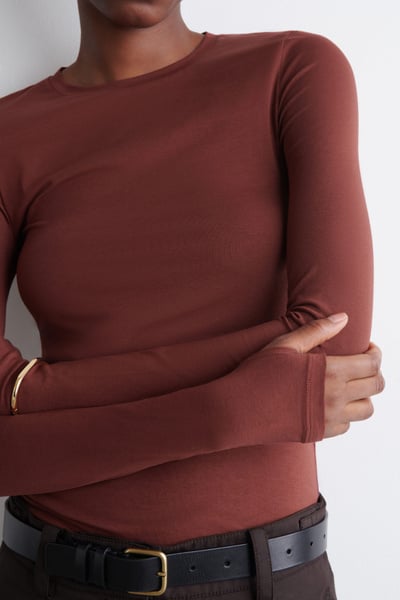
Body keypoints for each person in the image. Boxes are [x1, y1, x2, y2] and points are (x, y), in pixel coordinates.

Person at [0, 1, 385, 598]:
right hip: (50, 575)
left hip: (267, 579)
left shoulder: (291, 69)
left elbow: (334, 348)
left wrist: (29, 392)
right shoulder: (9, 134)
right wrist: (227, 412)